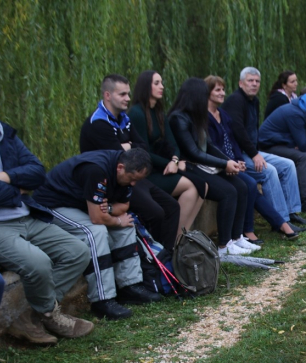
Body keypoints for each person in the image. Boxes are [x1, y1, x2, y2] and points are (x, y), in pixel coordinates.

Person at [33, 148, 161, 320]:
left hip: (80, 205)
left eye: (137, 181)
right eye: (131, 179)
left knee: (127, 225)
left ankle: (130, 286)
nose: (133, 185)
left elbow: (123, 206)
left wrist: (109, 210)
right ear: (120, 167)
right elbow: (96, 218)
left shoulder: (124, 174)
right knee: (95, 232)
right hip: (53, 205)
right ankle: (103, 300)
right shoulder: (96, 170)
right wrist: (116, 220)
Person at [0, 120, 94, 344]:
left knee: (78, 251)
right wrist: (19, 187)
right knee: (39, 263)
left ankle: (32, 314)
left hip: (27, 216)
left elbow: (38, 173)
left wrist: (6, 178)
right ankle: (49, 314)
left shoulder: (6, 135)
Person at [80, 74, 181, 253]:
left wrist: (127, 147)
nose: (128, 98)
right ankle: (153, 259)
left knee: (172, 207)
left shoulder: (124, 119)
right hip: (113, 182)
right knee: (156, 213)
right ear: (107, 95)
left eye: (128, 94)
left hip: (133, 176)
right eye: (122, 94)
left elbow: (142, 149)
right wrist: (130, 148)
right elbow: (120, 159)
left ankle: (166, 256)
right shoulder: (97, 123)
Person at [168, 78, 260, 255]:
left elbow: (209, 146)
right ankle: (224, 246)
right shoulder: (178, 118)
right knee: (228, 191)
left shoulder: (196, 116)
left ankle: (236, 237)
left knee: (241, 186)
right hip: (191, 167)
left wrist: (229, 161)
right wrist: (225, 164)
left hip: (204, 166)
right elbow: (193, 152)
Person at [205, 75, 299, 240]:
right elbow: (214, 146)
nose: (222, 93)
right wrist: (236, 160)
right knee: (257, 178)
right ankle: (271, 225)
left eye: (222, 89)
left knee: (285, 165)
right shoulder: (220, 109)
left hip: (238, 157)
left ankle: (287, 217)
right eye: (217, 90)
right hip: (221, 164)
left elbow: (233, 138)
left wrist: (238, 157)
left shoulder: (225, 113)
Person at [221, 67, 306, 220]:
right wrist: (255, 154)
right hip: (236, 155)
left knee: (288, 165)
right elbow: (239, 131)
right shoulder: (235, 101)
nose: (254, 84)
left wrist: (256, 152)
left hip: (252, 151)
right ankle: (281, 220)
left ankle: (292, 213)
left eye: (257, 81)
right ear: (240, 83)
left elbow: (253, 130)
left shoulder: (254, 101)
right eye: (250, 81)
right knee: (269, 171)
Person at [128, 71, 206, 237]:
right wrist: (169, 164)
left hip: (164, 167)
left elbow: (173, 143)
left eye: (161, 82)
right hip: (147, 173)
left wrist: (175, 160)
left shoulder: (158, 112)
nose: (161, 87)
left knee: (202, 186)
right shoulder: (137, 113)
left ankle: (183, 237)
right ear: (145, 86)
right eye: (156, 83)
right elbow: (144, 152)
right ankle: (175, 239)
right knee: (191, 187)